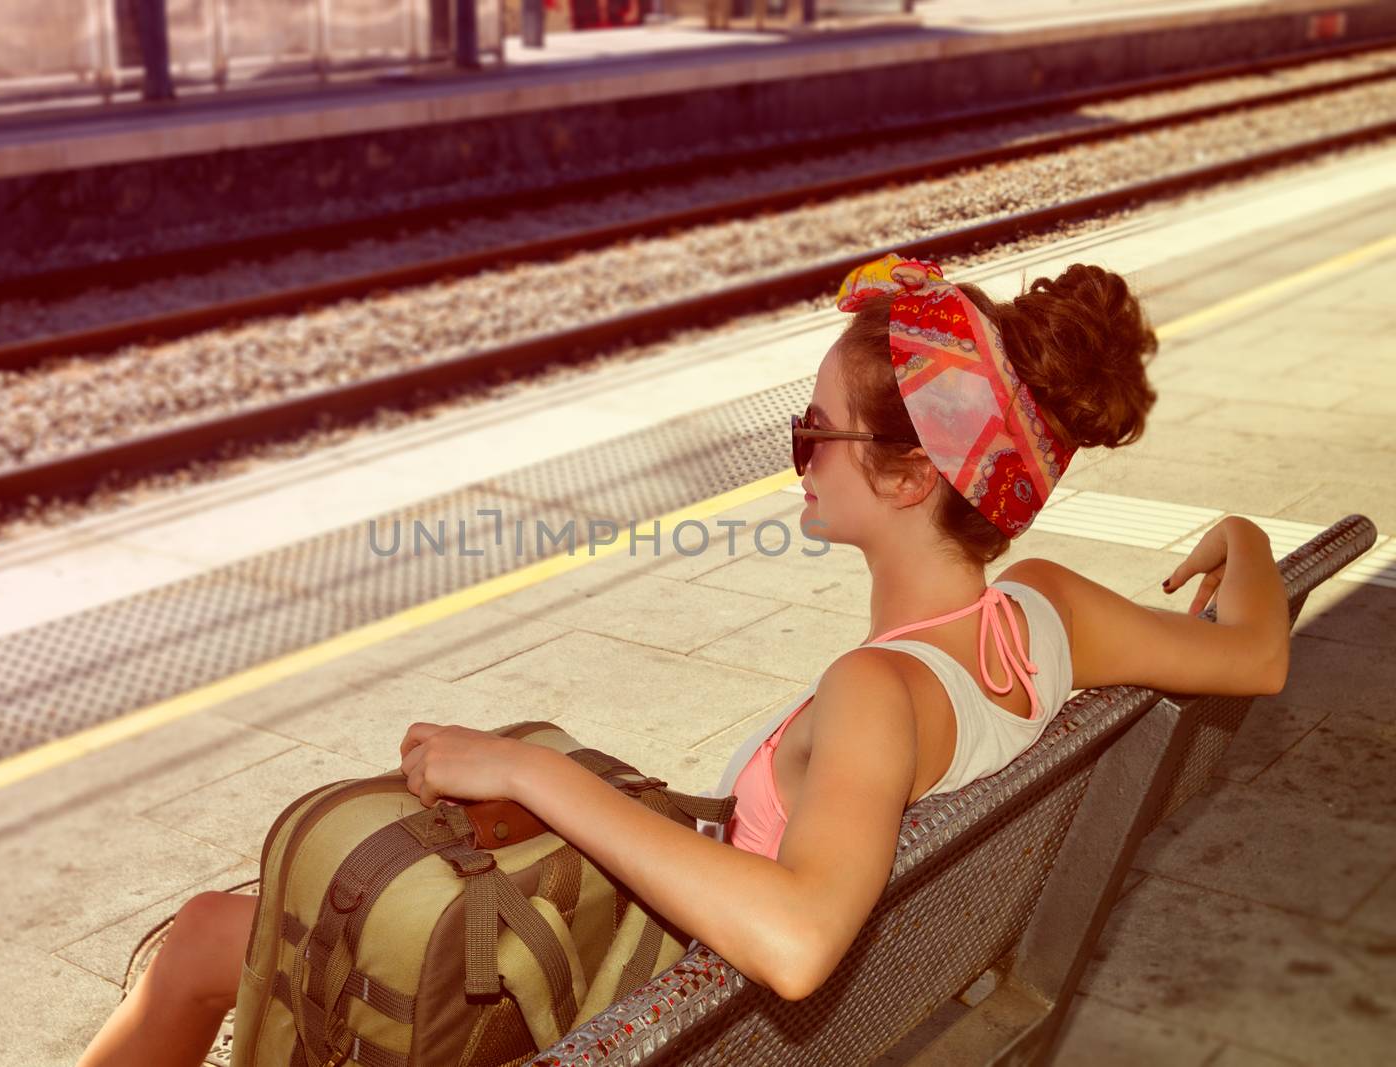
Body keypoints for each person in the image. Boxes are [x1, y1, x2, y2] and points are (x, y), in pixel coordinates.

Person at [76, 254, 1290, 1065]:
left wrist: (542, 775)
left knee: (200, 939)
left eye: (814, 431)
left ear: (916, 476)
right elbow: (1257, 657)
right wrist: (1240, 538)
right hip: (704, 963)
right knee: (235, 921)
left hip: (658, 1013)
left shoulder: (878, 690)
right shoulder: (1050, 608)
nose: (798, 454)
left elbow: (802, 940)